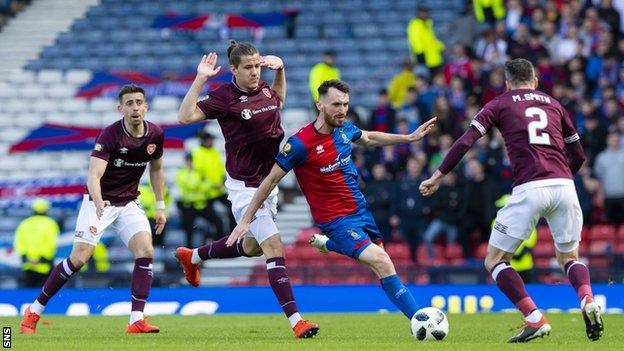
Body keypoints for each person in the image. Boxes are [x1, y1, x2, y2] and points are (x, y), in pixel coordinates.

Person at [228, 80, 437, 330]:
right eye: (336, 104)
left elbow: (368, 138)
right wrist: (246, 218)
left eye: (346, 104)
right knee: (382, 261)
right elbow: (270, 180)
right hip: (335, 219)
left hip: (361, 212)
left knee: (381, 263)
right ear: (320, 104)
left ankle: (330, 245)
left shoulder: (344, 129)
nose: (342, 109)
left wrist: (409, 137)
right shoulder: (299, 144)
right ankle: (420, 321)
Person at [419, 58, 603, 342]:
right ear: (535, 80)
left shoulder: (500, 103)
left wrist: (437, 176)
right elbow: (578, 155)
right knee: (569, 257)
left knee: (494, 260)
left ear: (507, 82)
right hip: (565, 186)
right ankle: (588, 299)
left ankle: (534, 317)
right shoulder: (554, 104)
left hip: (529, 188)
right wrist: (563, 177)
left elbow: (466, 141)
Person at [175, 41, 318, 339]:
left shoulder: (264, 87)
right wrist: (201, 78)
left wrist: (280, 71)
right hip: (245, 187)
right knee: (274, 247)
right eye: (249, 68)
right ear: (234, 70)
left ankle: (195, 257)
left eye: (257, 66)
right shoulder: (224, 97)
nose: (255, 73)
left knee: (253, 247)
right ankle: (297, 321)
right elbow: (185, 117)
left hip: (270, 183)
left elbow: (277, 99)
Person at [20, 84, 167, 334]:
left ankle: (136, 320)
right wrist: (98, 201)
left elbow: (156, 169)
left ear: (146, 106)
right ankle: (34, 310)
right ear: (120, 108)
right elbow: (94, 175)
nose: (135, 107)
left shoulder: (155, 134)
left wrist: (161, 205)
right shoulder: (110, 135)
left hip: (129, 202)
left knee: (146, 251)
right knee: (79, 259)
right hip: (101, 202)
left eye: (139, 102)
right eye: (129, 103)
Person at [192, 130, 236, 235]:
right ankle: (218, 241)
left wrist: (221, 181)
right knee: (216, 221)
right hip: (205, 194)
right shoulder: (198, 153)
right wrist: (211, 185)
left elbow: (220, 169)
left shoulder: (214, 151)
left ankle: (232, 234)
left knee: (233, 207)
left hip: (218, 190)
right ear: (204, 140)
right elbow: (198, 174)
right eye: (209, 140)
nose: (211, 142)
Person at [13, 198, 60, 287]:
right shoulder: (51, 223)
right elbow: (52, 243)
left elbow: (18, 242)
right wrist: (40, 259)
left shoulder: (25, 223)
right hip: (44, 264)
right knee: (45, 294)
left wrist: (26, 257)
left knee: (28, 294)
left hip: (28, 265)